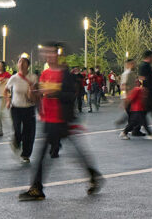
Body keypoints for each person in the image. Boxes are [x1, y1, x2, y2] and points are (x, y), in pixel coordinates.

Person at [18, 43, 102, 201]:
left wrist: (54, 92)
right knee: (72, 152)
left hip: (61, 119)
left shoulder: (65, 74)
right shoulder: (45, 74)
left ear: (58, 55)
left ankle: (37, 188)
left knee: (44, 154)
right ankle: (93, 176)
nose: (48, 56)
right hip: (49, 119)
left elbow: (71, 95)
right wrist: (33, 92)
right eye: (46, 53)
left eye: (51, 53)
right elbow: (37, 97)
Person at [6, 55, 38, 162]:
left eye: (24, 62)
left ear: (28, 65)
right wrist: (8, 100)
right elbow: (6, 90)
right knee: (17, 130)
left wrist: (32, 92)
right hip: (16, 108)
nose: (21, 64)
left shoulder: (33, 77)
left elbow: (37, 92)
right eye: (20, 62)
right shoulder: (13, 78)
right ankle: (16, 142)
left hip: (29, 108)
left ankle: (26, 154)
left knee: (28, 132)